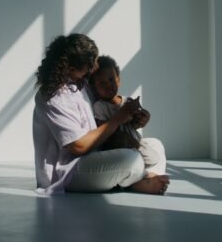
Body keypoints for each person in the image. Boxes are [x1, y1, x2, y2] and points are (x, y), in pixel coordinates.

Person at [32, 33, 170, 195]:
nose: (95, 67)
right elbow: (79, 146)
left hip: (97, 155)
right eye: (90, 66)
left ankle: (137, 179)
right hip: (70, 170)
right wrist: (118, 119)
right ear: (71, 69)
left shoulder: (80, 84)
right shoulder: (52, 96)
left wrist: (136, 120)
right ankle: (138, 181)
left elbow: (106, 107)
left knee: (155, 145)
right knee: (131, 159)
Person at [88, 55, 167, 177]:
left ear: (118, 80)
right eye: (102, 83)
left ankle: (145, 173)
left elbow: (134, 125)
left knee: (155, 154)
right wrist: (121, 117)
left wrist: (141, 118)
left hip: (134, 142)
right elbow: (102, 131)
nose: (108, 85)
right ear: (94, 88)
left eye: (111, 80)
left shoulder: (127, 100)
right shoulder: (99, 106)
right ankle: (142, 175)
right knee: (133, 154)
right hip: (117, 145)